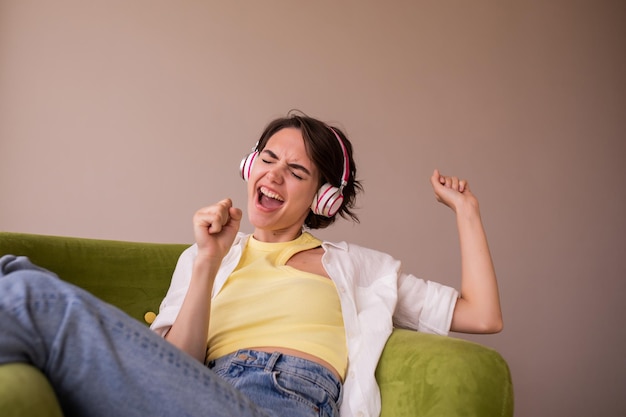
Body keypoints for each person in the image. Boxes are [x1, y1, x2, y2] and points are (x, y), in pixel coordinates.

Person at [0, 111, 502, 417]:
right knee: (18, 276)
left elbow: (482, 315)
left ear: (323, 200)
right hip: (198, 393)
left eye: (297, 171)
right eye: (267, 158)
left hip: (284, 399)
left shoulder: (362, 270)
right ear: (249, 165)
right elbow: (179, 364)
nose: (274, 175)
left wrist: (467, 212)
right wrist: (206, 262)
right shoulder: (208, 256)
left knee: (26, 294)